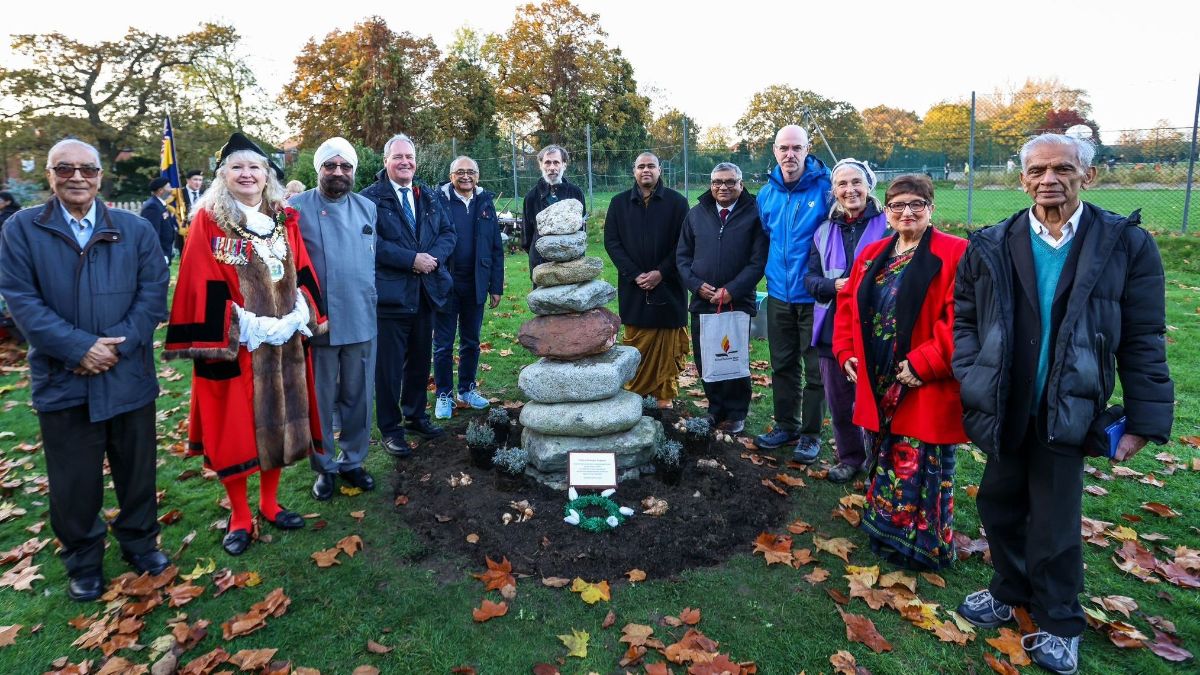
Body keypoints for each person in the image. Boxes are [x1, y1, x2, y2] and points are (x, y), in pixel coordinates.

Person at [953, 133, 1174, 674]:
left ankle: (1059, 621)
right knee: (998, 505)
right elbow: (964, 319)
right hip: (1006, 403)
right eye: (1037, 170)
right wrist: (972, 373)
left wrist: (1145, 418)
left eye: (1062, 168)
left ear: (1088, 176)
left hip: (1068, 406)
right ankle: (1009, 591)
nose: (1048, 179)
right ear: (1022, 179)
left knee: (1053, 520)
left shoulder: (1124, 244)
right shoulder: (992, 243)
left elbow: (1144, 334)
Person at [0, 139, 170, 600]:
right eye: (65, 168)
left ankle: (139, 542)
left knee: (137, 473)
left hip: (127, 374)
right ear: (50, 176)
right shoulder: (22, 229)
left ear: (100, 176)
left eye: (87, 169)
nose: (77, 177)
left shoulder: (134, 229)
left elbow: (153, 293)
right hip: (63, 379)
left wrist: (117, 345)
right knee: (73, 481)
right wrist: (78, 348)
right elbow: (22, 302)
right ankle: (83, 559)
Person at [163, 132, 327, 556]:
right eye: (237, 167)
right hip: (237, 344)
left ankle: (270, 504)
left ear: (267, 174)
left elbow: (303, 267)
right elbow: (199, 281)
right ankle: (239, 514)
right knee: (233, 431)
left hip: (284, 343)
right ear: (224, 175)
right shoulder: (208, 221)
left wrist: (300, 313)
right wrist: (248, 323)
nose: (247, 174)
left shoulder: (284, 217)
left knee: (282, 422)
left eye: (255, 167)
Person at [832, 173, 967, 571]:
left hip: (922, 381)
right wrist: (844, 353)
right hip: (877, 378)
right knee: (886, 458)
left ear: (931, 209)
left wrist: (925, 364)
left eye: (916, 205)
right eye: (898, 206)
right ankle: (884, 529)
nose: (907, 212)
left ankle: (921, 546)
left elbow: (963, 320)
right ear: (887, 211)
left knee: (921, 462)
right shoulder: (873, 253)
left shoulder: (956, 253)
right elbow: (847, 306)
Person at [290, 137, 380, 501]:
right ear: (319, 169)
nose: (338, 172)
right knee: (320, 400)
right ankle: (324, 467)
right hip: (318, 321)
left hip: (360, 314)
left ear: (354, 171)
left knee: (359, 397)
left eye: (345, 167)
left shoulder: (368, 208)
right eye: (331, 165)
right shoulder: (294, 208)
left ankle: (353, 461)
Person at [360, 133, 455, 456]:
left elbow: (447, 232)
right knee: (387, 369)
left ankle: (415, 415)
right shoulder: (370, 199)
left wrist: (433, 259)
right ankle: (390, 428)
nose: (405, 162)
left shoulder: (428, 195)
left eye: (409, 157)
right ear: (385, 161)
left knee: (418, 361)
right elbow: (370, 243)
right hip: (390, 297)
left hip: (425, 293)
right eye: (398, 157)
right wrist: (410, 260)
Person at [804, 159, 889, 483]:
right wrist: (833, 285)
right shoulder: (824, 230)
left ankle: (878, 463)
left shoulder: (888, 223)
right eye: (842, 184)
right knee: (839, 402)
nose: (850, 189)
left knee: (877, 400)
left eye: (856, 182)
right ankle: (849, 457)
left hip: (877, 327)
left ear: (869, 186)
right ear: (834, 191)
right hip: (832, 327)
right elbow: (810, 278)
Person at [753, 125, 832, 462]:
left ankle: (811, 435)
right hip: (779, 295)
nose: (789, 154)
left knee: (815, 371)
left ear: (807, 149)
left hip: (815, 297)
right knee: (782, 364)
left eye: (796, 148)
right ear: (774, 150)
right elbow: (765, 237)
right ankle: (786, 425)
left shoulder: (827, 189)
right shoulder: (766, 194)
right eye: (783, 148)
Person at [676, 163, 768, 434]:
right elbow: (682, 257)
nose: (723, 187)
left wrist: (733, 289)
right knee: (707, 358)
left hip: (736, 301)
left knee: (733, 358)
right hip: (703, 300)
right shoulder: (696, 214)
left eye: (730, 182)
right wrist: (696, 285)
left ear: (741, 184)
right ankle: (715, 409)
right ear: (710, 183)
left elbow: (757, 260)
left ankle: (737, 412)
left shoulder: (754, 215)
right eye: (717, 182)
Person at [604, 152, 690, 409]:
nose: (646, 170)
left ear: (659, 169)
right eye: (641, 166)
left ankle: (665, 396)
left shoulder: (677, 203)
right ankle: (635, 392)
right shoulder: (619, 203)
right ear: (634, 171)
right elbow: (612, 242)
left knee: (667, 344)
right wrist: (634, 274)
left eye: (651, 165)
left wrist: (661, 273)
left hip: (669, 287)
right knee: (636, 343)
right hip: (634, 288)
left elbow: (683, 243)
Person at [432, 156, 503, 419]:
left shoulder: (485, 203)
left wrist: (495, 286)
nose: (465, 176)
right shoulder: (437, 201)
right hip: (446, 283)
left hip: (476, 284)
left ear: (478, 175)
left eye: (470, 172)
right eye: (460, 172)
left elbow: (496, 246)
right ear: (451, 175)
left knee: (471, 341)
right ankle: (443, 394)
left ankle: (467, 389)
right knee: (443, 344)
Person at [522, 144, 585, 279]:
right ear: (541, 165)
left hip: (570, 261)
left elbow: (582, 229)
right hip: (540, 262)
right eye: (547, 162)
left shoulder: (576, 193)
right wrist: (539, 253)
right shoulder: (531, 197)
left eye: (556, 162)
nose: (552, 167)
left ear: (564, 165)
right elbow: (526, 237)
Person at [140, 176, 179, 263]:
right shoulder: (152, 206)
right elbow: (153, 233)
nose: (171, 190)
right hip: (159, 254)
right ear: (161, 190)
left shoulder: (159, 204)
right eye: (168, 187)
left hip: (165, 251)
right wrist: (159, 254)